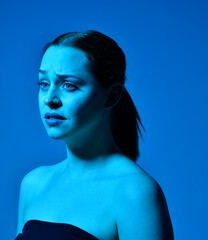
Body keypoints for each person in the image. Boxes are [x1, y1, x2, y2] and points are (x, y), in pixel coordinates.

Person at [15, 30, 174, 240]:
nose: (50, 99)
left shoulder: (134, 192)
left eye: (69, 85)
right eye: (44, 84)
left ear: (111, 96)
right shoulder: (34, 184)